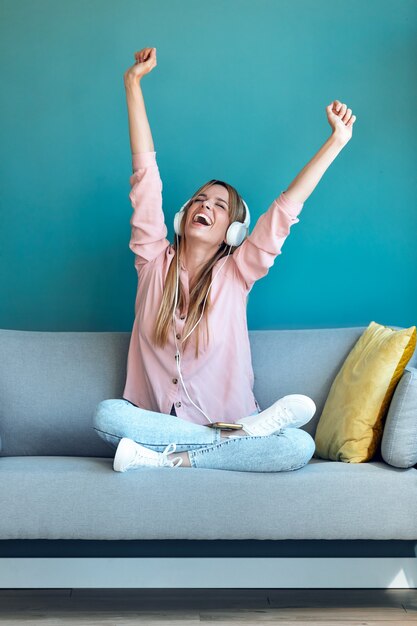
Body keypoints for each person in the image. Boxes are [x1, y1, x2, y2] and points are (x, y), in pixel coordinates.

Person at [93, 46, 357, 473]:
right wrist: (132, 84)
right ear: (182, 217)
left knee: (297, 447)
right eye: (200, 199)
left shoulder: (237, 272)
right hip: (160, 423)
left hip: (207, 423)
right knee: (108, 415)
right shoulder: (151, 262)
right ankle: (231, 442)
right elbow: (145, 178)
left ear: (233, 232)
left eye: (219, 205)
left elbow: (284, 212)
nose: (206, 206)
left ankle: (171, 461)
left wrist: (336, 142)